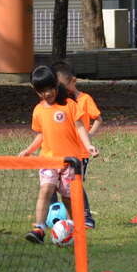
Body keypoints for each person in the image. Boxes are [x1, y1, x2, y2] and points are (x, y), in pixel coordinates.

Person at [18, 65, 98, 244]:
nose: (47, 94)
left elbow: (80, 128)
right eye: (42, 91)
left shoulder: (69, 105)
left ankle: (73, 229)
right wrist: (29, 150)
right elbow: (41, 135)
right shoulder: (38, 110)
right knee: (45, 190)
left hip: (70, 162)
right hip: (48, 160)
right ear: (36, 91)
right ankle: (39, 228)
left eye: (49, 89)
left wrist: (89, 146)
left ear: (56, 84)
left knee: (68, 198)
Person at [51, 60, 99, 228]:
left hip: (80, 153)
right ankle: (54, 216)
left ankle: (86, 216)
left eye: (61, 86)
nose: (58, 90)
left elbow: (98, 119)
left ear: (73, 81)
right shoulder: (58, 104)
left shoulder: (84, 99)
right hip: (61, 152)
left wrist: (89, 136)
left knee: (75, 184)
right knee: (52, 183)